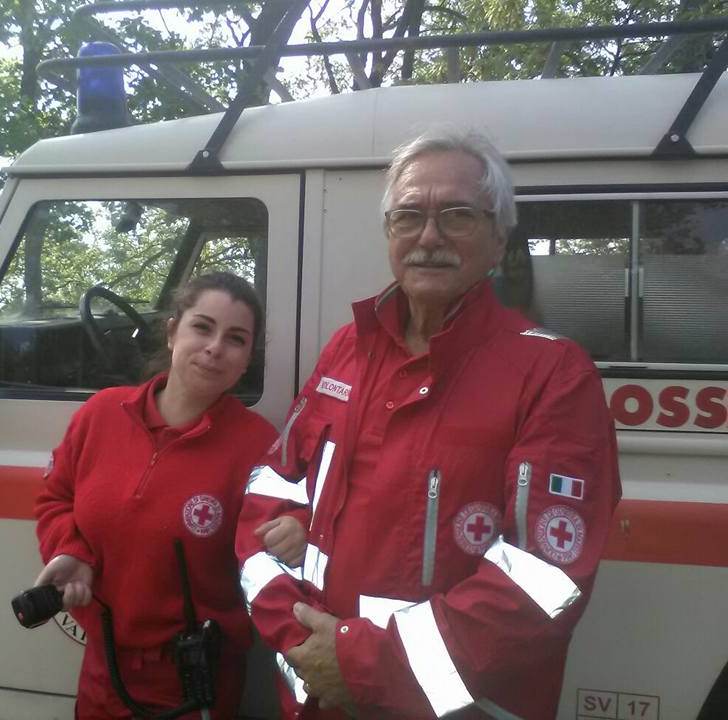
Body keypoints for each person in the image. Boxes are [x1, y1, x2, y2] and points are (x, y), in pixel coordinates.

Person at [235, 128, 622, 719]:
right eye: (408, 215)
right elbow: (271, 489)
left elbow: (545, 582)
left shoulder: (553, 374)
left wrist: (363, 665)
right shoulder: (347, 349)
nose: (429, 237)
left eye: (458, 216)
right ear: (389, 232)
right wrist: (297, 637)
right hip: (315, 697)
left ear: (499, 237)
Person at [34, 271, 305, 719]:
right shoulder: (101, 414)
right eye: (202, 327)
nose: (215, 347)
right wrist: (72, 550)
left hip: (195, 677)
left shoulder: (259, 446)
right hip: (103, 667)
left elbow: (292, 530)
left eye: (235, 339)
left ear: (245, 360)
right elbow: (55, 498)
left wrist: (301, 531)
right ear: (173, 329)